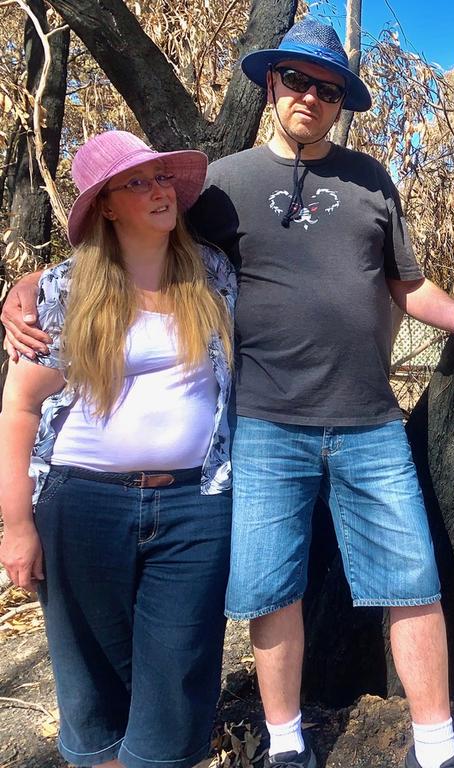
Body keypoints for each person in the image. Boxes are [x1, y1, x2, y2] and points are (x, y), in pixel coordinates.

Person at [3, 18, 454, 768]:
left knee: (411, 579)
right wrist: (29, 287)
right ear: (270, 84)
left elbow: (406, 285)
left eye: (328, 87)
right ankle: (286, 744)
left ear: (341, 101)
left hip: (369, 421)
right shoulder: (221, 185)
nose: (310, 97)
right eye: (296, 80)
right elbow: (127, 233)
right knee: (269, 587)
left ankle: (437, 748)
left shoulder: (370, 180)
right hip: (263, 424)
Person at [0, 131, 236, 768]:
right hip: (82, 505)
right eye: (137, 183)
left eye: (161, 179)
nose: (158, 191)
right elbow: (20, 407)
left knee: (180, 672)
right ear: (105, 205)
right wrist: (17, 526)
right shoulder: (70, 289)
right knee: (91, 677)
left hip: (196, 505)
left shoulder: (210, 272)